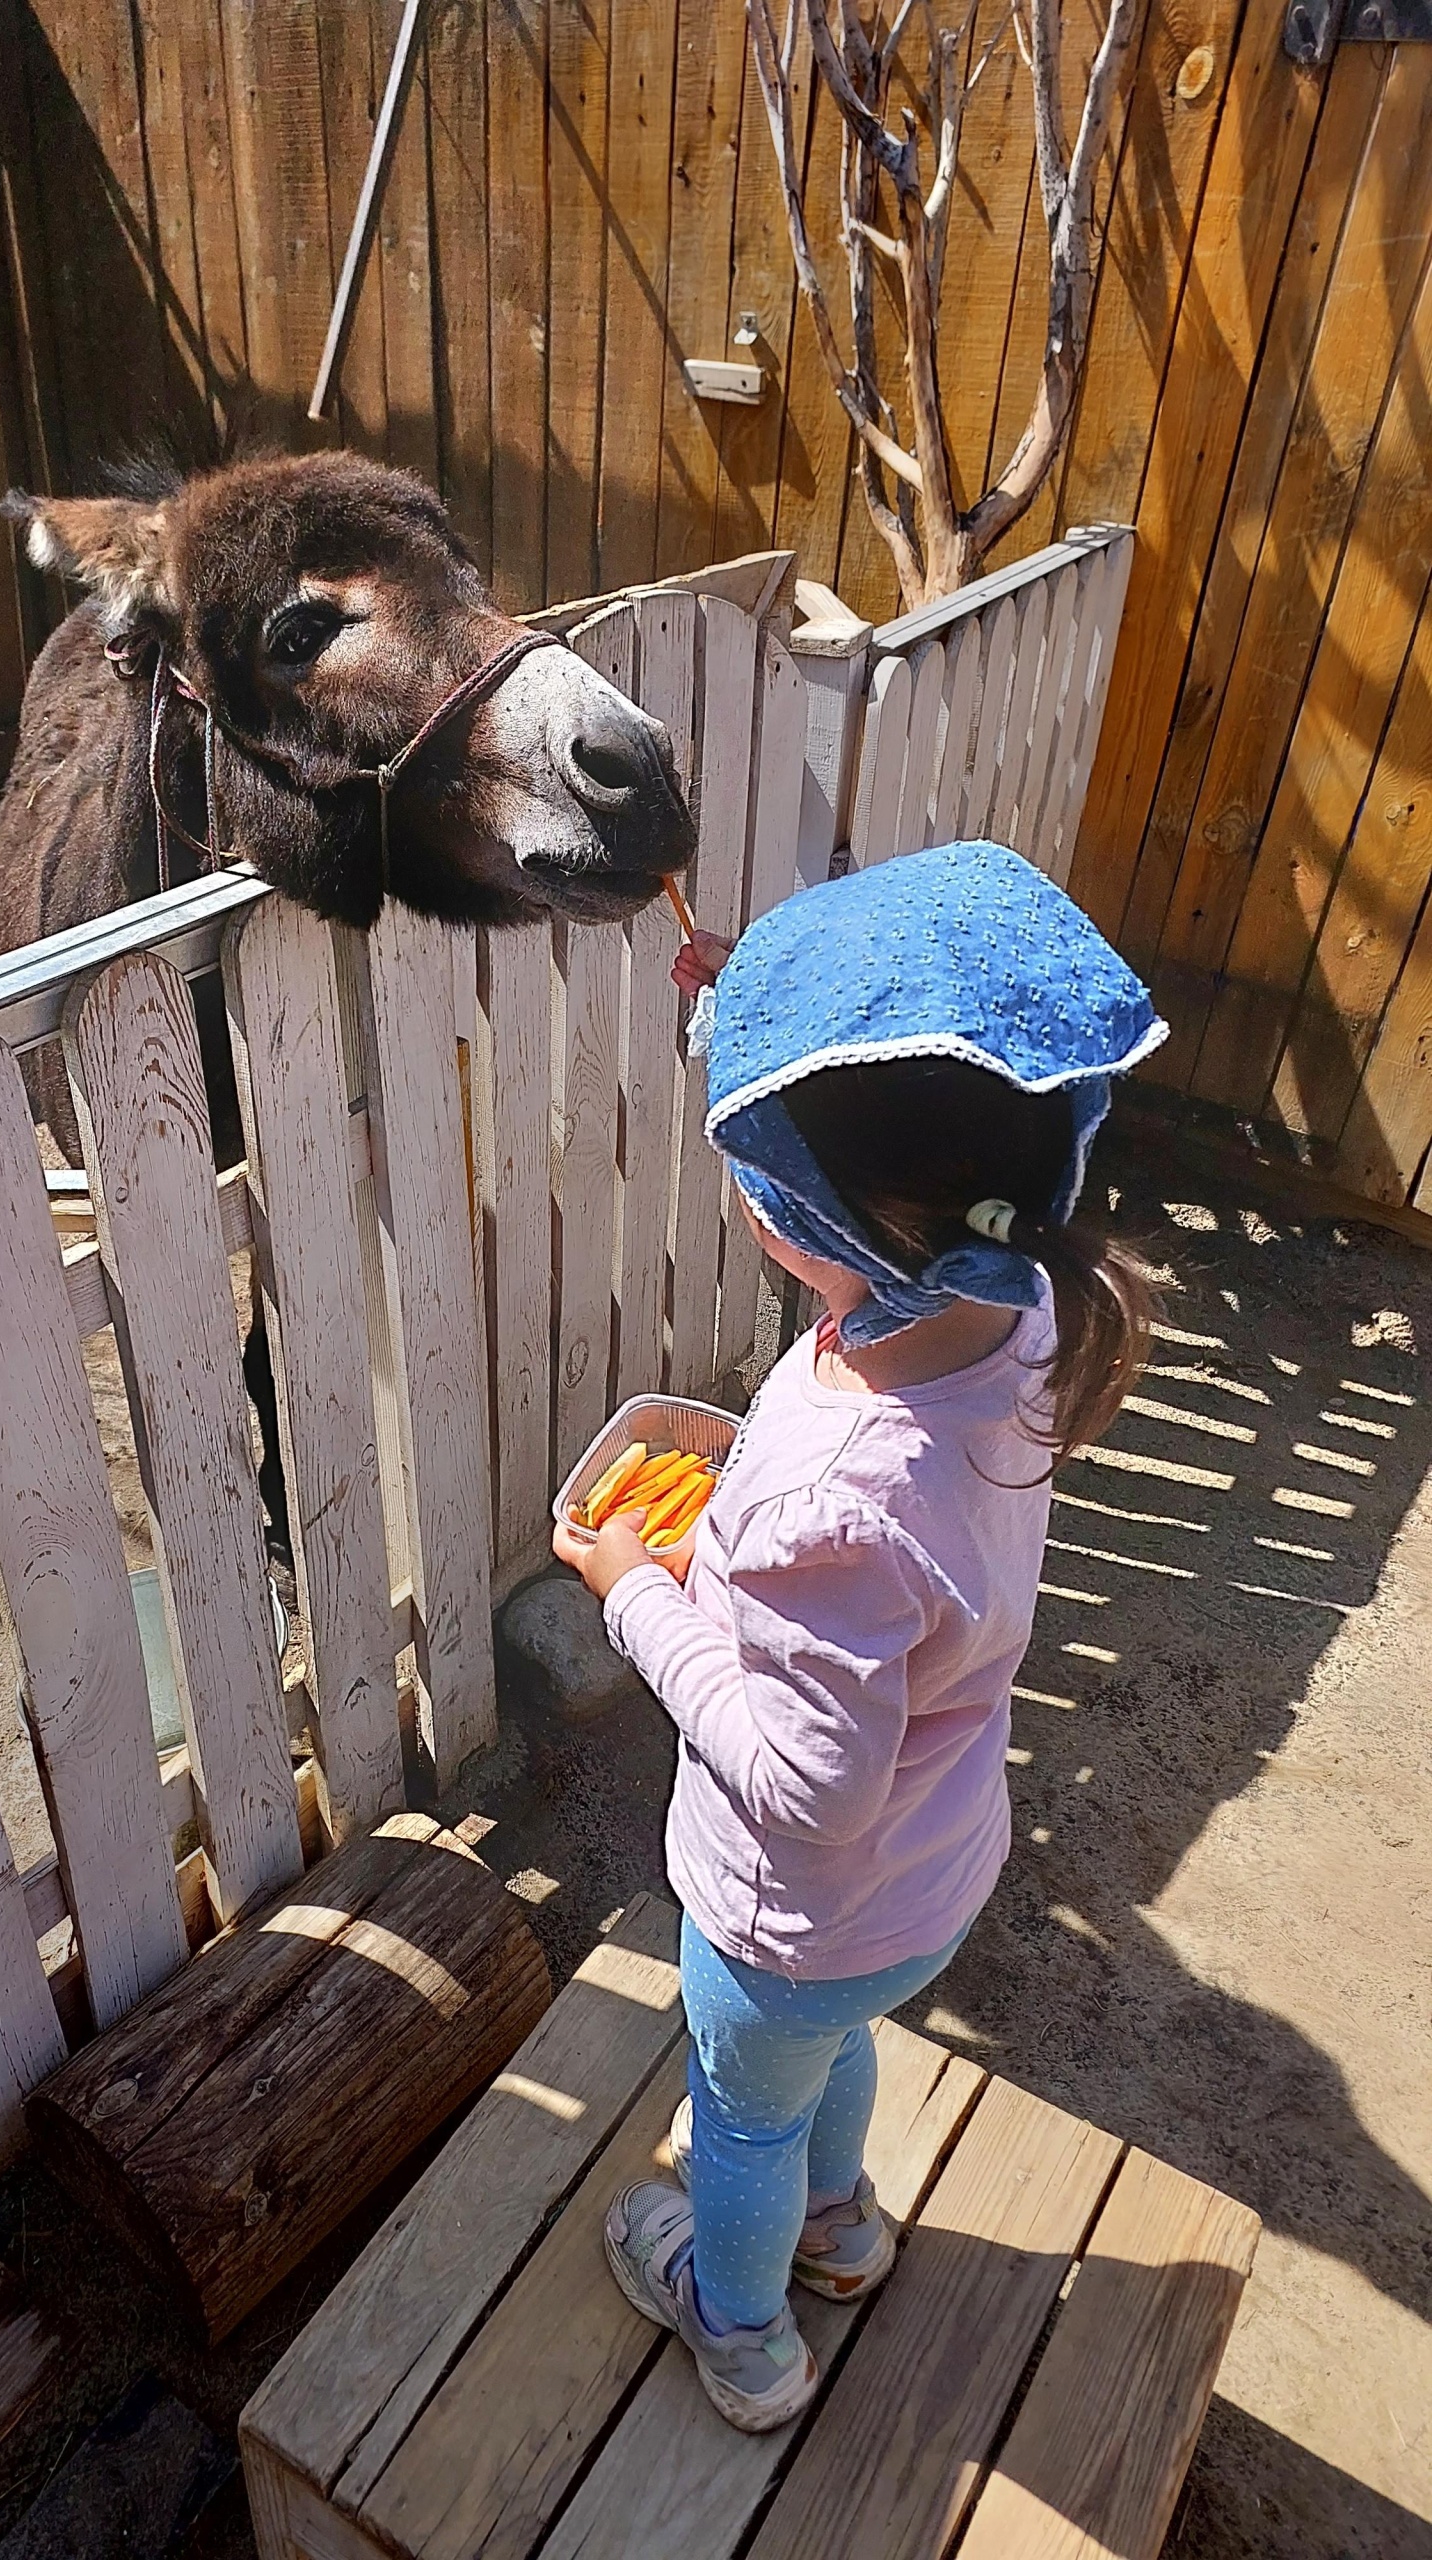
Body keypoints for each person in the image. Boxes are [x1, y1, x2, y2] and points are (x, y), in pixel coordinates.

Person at [552, 840, 1165, 2432]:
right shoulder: (1016, 1304)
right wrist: (750, 1000)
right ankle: (844, 2230)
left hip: (792, 1918)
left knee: (740, 2121)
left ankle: (740, 2327)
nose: (750, 1195)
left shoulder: (840, 1496)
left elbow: (802, 1785)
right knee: (832, 2064)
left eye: (763, 1172)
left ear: (819, 1214)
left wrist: (641, 1596)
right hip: (929, 1884)